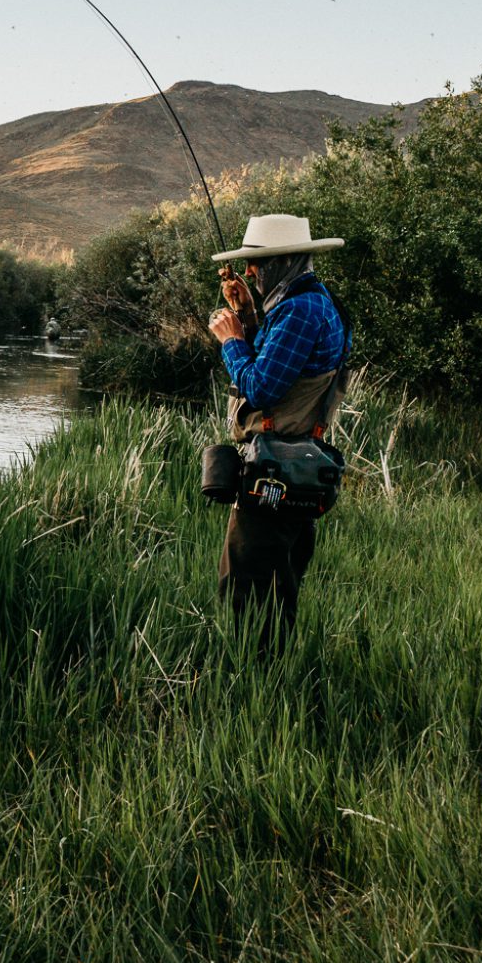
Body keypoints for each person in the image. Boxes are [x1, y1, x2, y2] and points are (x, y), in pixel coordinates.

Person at [207, 214, 350, 654]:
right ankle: (271, 673)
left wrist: (231, 339)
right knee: (277, 585)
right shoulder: (304, 301)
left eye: (258, 264)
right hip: (292, 466)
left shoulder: (299, 311)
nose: (249, 272)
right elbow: (279, 363)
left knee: (248, 587)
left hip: (277, 471)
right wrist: (248, 315)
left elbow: (261, 387)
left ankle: (251, 681)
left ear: (283, 261)